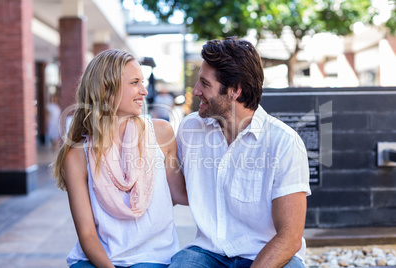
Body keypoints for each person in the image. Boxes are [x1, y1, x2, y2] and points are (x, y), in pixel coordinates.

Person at [170, 37, 311, 268]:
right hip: (207, 253)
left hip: (265, 253)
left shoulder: (283, 143)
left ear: (234, 90)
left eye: (205, 84)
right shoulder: (190, 129)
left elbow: (290, 237)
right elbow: (179, 192)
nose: (196, 91)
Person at [50, 49, 187, 268]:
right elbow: (87, 234)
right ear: (106, 89)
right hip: (97, 260)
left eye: (142, 82)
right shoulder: (77, 153)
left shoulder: (161, 133)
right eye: (134, 82)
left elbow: (181, 194)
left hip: (151, 257)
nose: (144, 91)